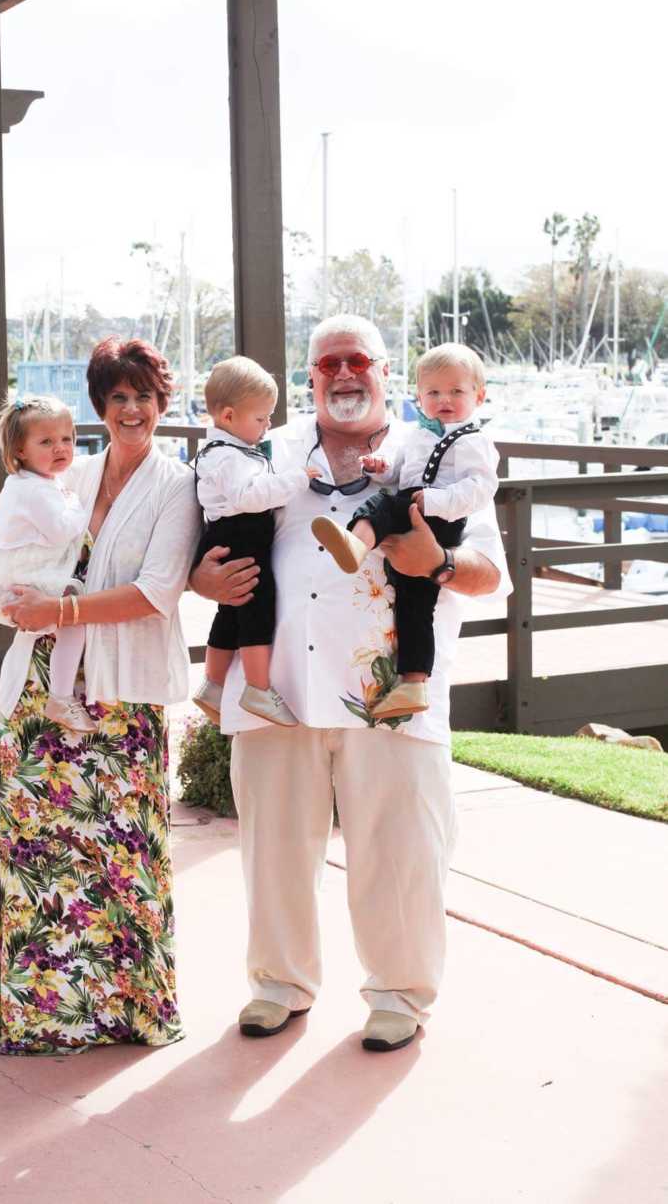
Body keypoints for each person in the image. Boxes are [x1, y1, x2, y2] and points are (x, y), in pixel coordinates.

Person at [191, 315, 508, 1053]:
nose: (343, 375)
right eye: (327, 364)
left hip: (392, 697)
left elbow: (492, 576)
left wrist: (436, 562)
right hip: (276, 691)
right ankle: (278, 984)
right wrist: (201, 577)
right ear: (308, 378)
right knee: (273, 852)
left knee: (400, 854)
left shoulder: (435, 452)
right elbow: (194, 544)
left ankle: (398, 994)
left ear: (385, 373)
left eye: (357, 362)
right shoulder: (264, 446)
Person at [0, 336, 202, 1056]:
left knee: (118, 853)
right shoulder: (69, 466)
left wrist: (58, 612)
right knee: (34, 847)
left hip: (121, 694)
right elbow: (10, 553)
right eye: (118, 397)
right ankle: (35, 1012)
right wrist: (19, 605)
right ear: (101, 405)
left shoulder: (176, 485)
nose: (131, 409)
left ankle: (124, 1010)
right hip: (41, 684)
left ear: (162, 404)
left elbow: (158, 592)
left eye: (144, 397)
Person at [311, 342, 498, 720]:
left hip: (436, 517)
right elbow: (402, 470)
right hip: (418, 504)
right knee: (415, 606)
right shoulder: (417, 434)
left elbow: (481, 487)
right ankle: (414, 682)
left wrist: (436, 501)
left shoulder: (474, 440)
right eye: (433, 392)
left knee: (382, 507)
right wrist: (382, 466)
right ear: (418, 395)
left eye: (456, 392)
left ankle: (356, 542)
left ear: (479, 395)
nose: (444, 400)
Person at [191, 356, 321, 728]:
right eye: (261, 418)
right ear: (229, 416)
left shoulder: (225, 452)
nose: (267, 427)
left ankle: (213, 684)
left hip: (231, 537)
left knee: (230, 615)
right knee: (256, 610)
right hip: (241, 538)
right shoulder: (228, 458)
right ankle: (258, 687)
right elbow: (250, 496)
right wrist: (296, 479)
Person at [0, 394, 95, 733]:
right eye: (47, 442)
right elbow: (60, 532)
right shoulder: (35, 491)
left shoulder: (33, 483)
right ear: (20, 451)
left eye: (67, 439)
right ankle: (61, 696)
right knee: (74, 619)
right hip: (29, 575)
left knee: (70, 621)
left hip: (22, 568)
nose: (60, 448)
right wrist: (83, 507)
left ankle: (61, 693)